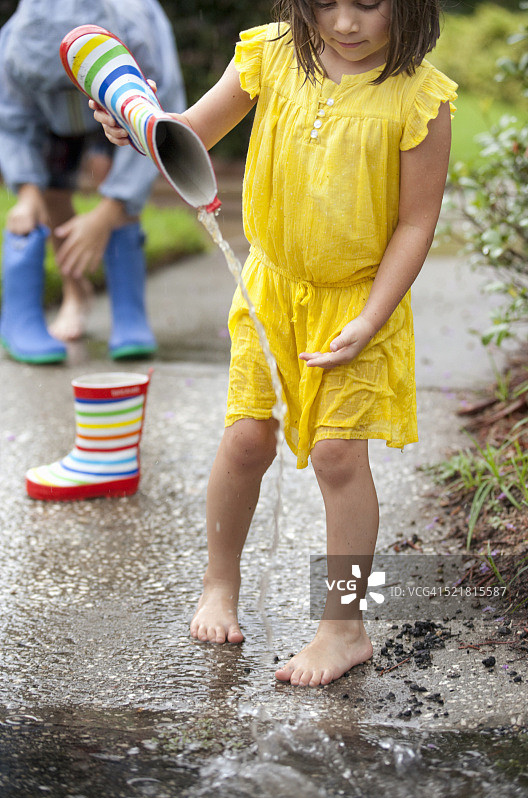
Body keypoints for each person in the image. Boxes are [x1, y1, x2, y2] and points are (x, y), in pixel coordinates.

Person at [97, 0, 457, 687]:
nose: (345, 23)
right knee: (244, 441)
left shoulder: (419, 97)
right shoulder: (269, 53)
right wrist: (134, 124)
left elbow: (415, 223)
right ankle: (218, 583)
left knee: (338, 458)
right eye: (325, 3)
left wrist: (373, 316)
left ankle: (344, 626)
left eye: (368, 5)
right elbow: (187, 134)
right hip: (271, 286)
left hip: (358, 300)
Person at [0, 0, 186, 363]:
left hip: (116, 93)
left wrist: (108, 212)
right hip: (46, 117)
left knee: (119, 173)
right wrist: (26, 192)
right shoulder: (13, 50)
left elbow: (159, 126)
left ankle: (129, 313)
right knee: (48, 192)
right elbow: (13, 127)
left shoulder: (140, 36)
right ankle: (75, 293)